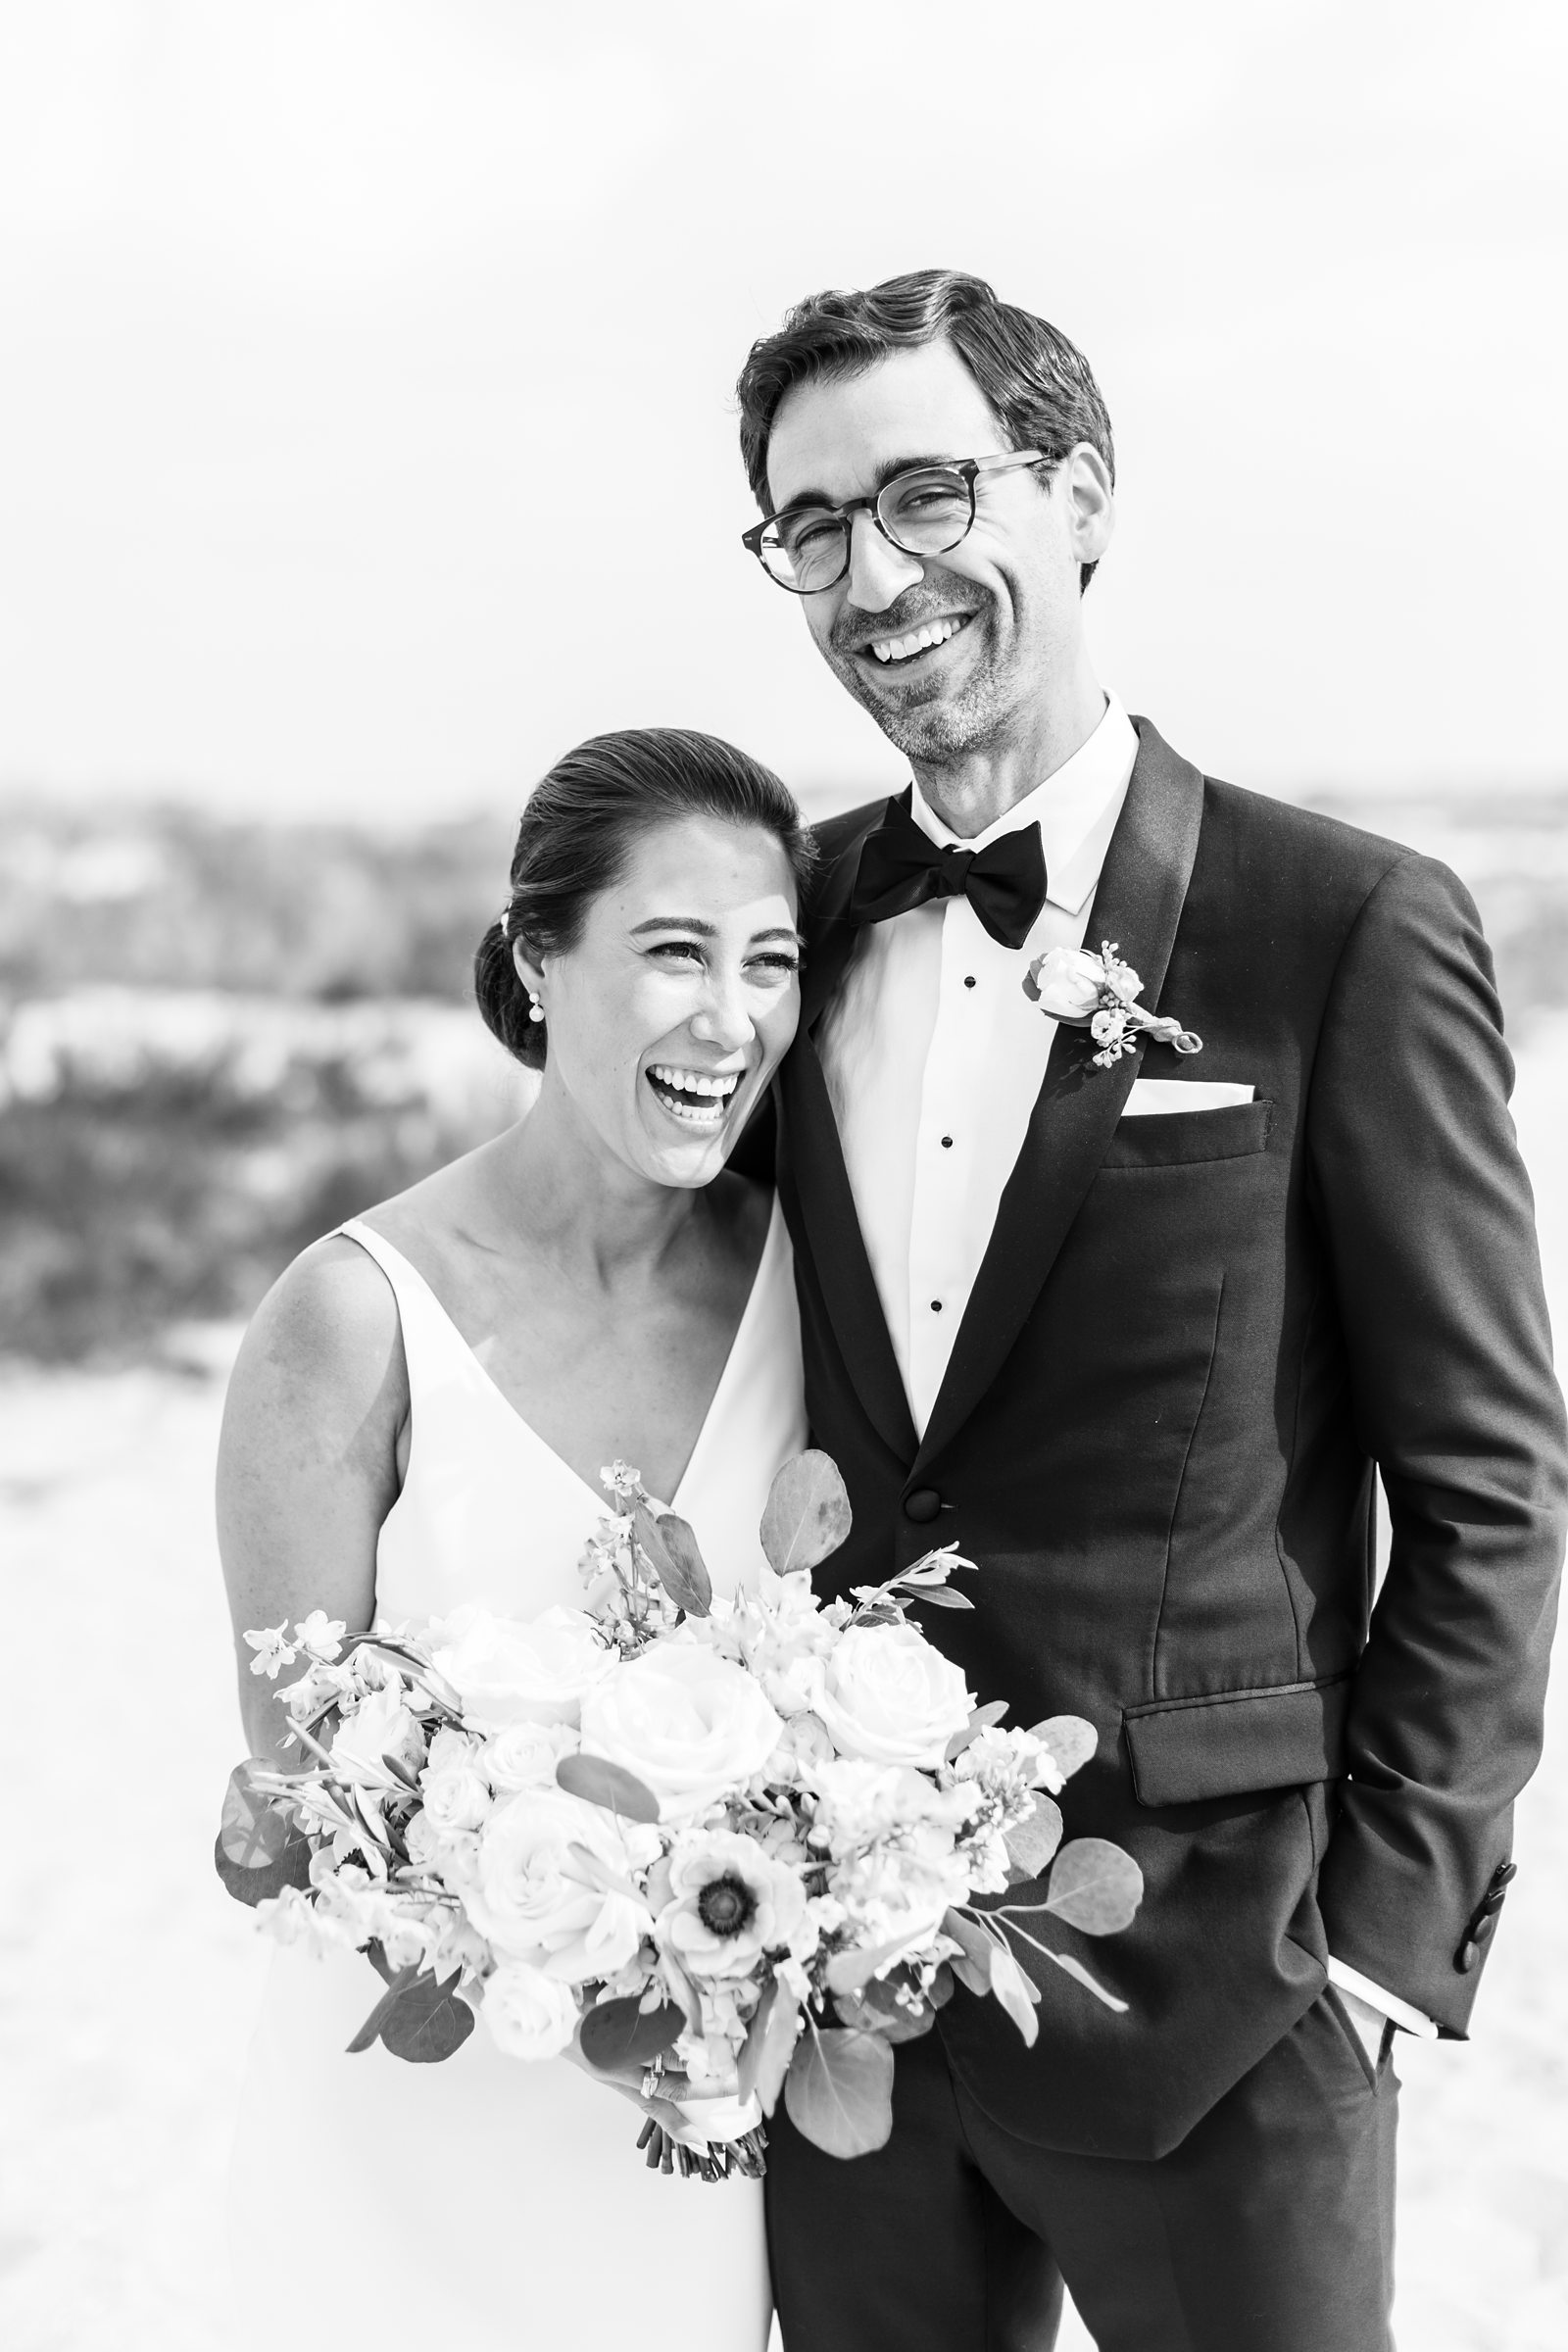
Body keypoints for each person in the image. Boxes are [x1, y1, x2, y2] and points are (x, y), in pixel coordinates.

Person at [732, 271, 1567, 2351]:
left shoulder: (1341, 926)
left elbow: (1487, 1481)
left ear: (1079, 496)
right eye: (811, 527)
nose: (874, 577)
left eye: (927, 494)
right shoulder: (783, 924)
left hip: (1224, 1995)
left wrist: (1377, 1943)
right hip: (837, 2011)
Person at [219, 727, 812, 2352]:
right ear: (539, 962)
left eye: (771, 960)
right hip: (409, 2157)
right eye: (673, 951)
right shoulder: (350, 1319)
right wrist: (570, 1953)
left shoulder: (816, 1296)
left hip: (695, 2170)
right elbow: (294, 1798)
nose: (730, 1017)